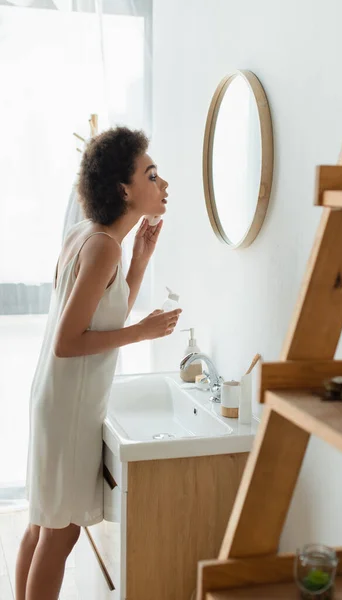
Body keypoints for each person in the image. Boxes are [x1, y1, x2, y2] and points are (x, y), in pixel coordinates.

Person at [15, 127, 181, 600]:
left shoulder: (90, 235)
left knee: (41, 524)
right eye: (151, 174)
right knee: (61, 532)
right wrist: (142, 333)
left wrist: (140, 263)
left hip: (55, 397)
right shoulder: (104, 246)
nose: (162, 183)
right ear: (125, 189)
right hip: (68, 407)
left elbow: (99, 317)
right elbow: (69, 341)